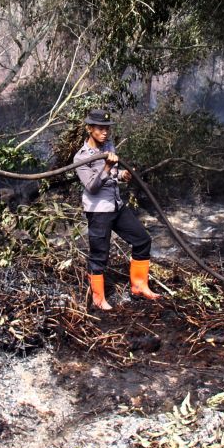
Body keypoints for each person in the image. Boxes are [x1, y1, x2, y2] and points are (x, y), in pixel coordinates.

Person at [74, 108, 159, 310]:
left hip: (116, 205)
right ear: (89, 129)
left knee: (142, 239)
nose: (105, 132)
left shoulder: (109, 146)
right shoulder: (81, 157)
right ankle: (98, 299)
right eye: (100, 128)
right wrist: (105, 167)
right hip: (98, 210)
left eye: (107, 128)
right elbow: (92, 187)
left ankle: (139, 286)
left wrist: (122, 175)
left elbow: (112, 174)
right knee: (99, 255)